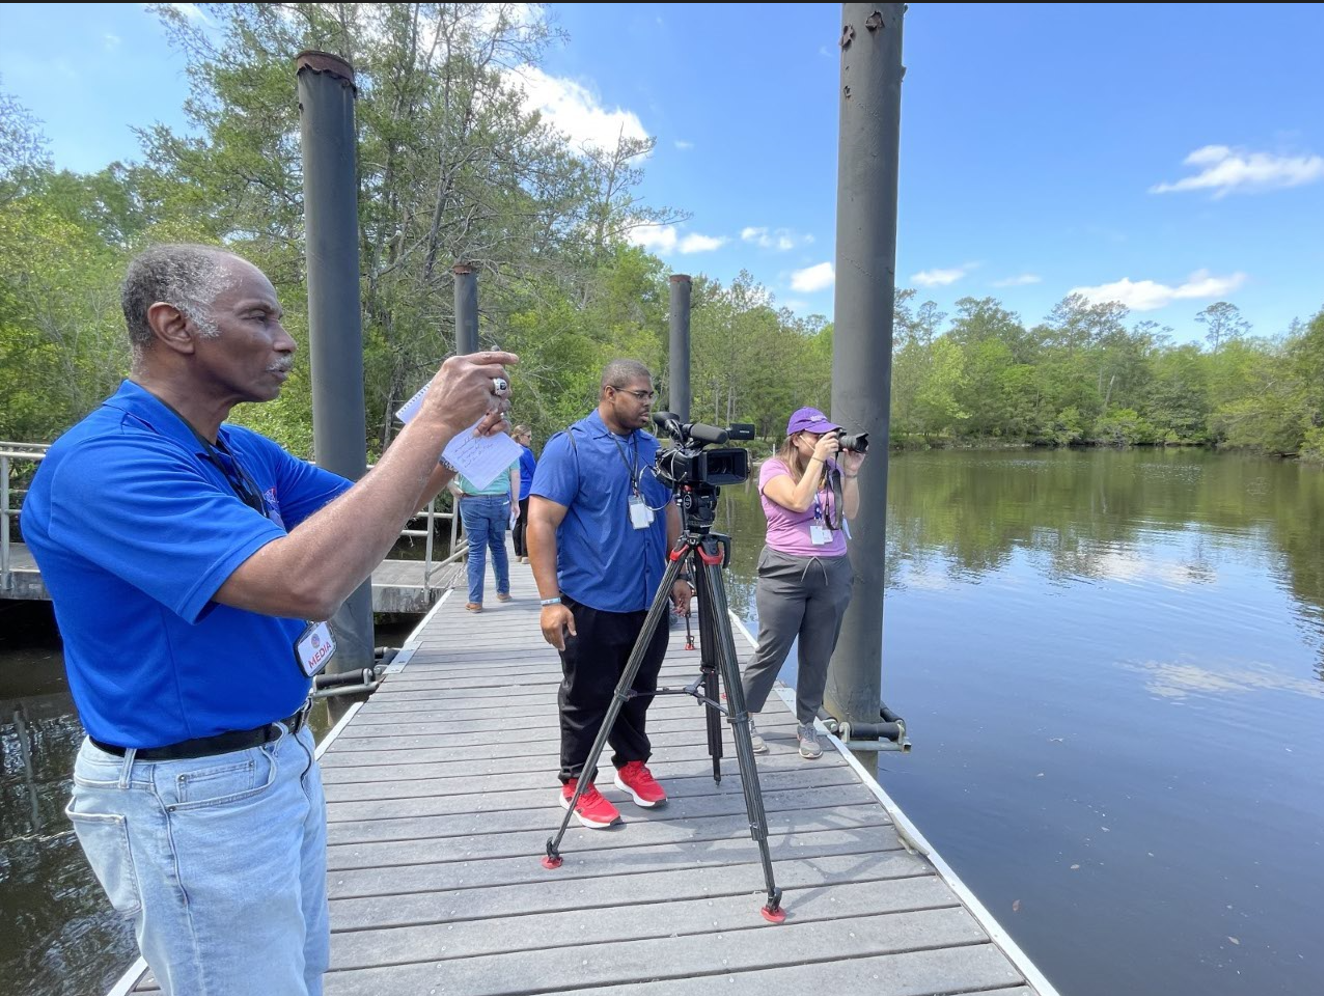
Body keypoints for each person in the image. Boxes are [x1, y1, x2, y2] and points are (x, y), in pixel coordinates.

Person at [20, 244, 515, 996]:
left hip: (275, 760)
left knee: (295, 979)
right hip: (187, 790)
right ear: (173, 326)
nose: (286, 341)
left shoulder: (239, 449)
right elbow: (306, 581)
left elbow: (365, 515)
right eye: (259, 317)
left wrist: (447, 451)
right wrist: (429, 425)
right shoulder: (105, 463)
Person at [527, 360, 692, 828]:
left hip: (649, 597)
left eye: (650, 395)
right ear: (609, 392)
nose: (648, 404)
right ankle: (576, 781)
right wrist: (548, 601)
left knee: (640, 690)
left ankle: (631, 764)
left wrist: (677, 569)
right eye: (639, 395)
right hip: (591, 600)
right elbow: (539, 523)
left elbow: (666, 511)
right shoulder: (571, 447)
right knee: (587, 695)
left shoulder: (651, 447)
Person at [740, 406, 866, 759]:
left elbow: (849, 514)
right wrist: (819, 463)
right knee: (772, 649)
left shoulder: (832, 469)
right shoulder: (772, 469)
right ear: (797, 439)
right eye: (818, 436)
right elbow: (798, 501)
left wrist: (851, 474)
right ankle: (745, 716)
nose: (828, 441)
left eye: (830, 435)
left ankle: (807, 722)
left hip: (832, 571)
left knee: (819, 653)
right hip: (784, 572)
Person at [450, 448, 520, 611]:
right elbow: (515, 475)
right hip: (500, 500)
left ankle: (475, 601)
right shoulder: (507, 447)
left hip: (472, 500)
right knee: (498, 546)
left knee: (476, 551)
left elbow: (442, 463)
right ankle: (503, 592)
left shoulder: (467, 446)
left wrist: (452, 486)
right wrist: (515, 502)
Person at [511, 424, 537, 563]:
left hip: (513, 491)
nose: (530, 439)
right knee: (527, 522)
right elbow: (534, 470)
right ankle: (526, 554)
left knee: (517, 522)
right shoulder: (525, 452)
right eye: (528, 436)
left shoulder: (510, 451)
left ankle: (518, 553)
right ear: (520, 437)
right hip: (526, 489)